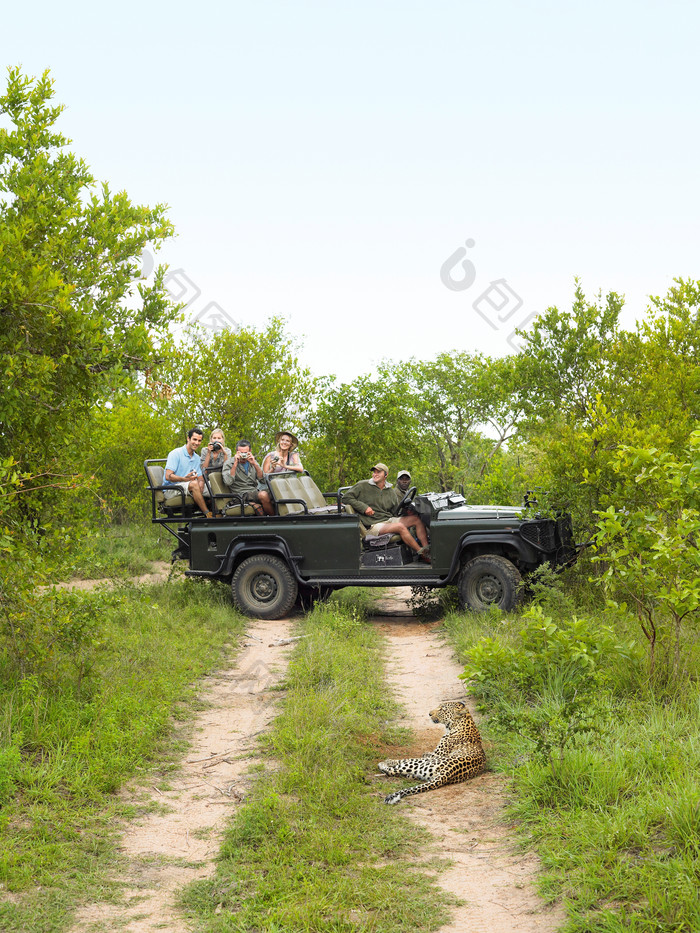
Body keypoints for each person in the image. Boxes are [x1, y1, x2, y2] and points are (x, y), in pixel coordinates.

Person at [342, 463, 430, 561]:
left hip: (388, 520)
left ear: (385, 475)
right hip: (372, 525)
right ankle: (422, 554)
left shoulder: (390, 491)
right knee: (400, 527)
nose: (375, 474)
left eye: (378, 472)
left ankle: (427, 550)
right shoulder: (363, 485)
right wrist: (364, 507)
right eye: (374, 472)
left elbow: (395, 511)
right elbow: (346, 498)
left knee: (417, 520)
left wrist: (407, 511)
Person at [163, 427, 212, 516]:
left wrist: (201, 483)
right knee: (194, 484)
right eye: (194, 439)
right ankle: (207, 513)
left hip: (188, 487)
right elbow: (168, 476)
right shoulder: (175, 454)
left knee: (212, 484)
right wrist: (184, 479)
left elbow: (200, 477)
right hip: (172, 489)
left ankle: (220, 512)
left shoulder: (197, 458)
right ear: (188, 439)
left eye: (199, 440)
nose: (197, 443)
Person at [222, 439, 274, 515]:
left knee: (275, 491)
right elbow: (228, 482)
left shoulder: (252, 461)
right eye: (241, 453)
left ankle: (284, 515)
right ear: (237, 452)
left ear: (250, 451)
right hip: (240, 494)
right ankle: (274, 520)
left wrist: (255, 464)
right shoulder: (229, 463)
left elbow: (262, 480)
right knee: (263, 495)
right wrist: (235, 464)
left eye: (245, 453)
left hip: (254, 491)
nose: (243, 456)